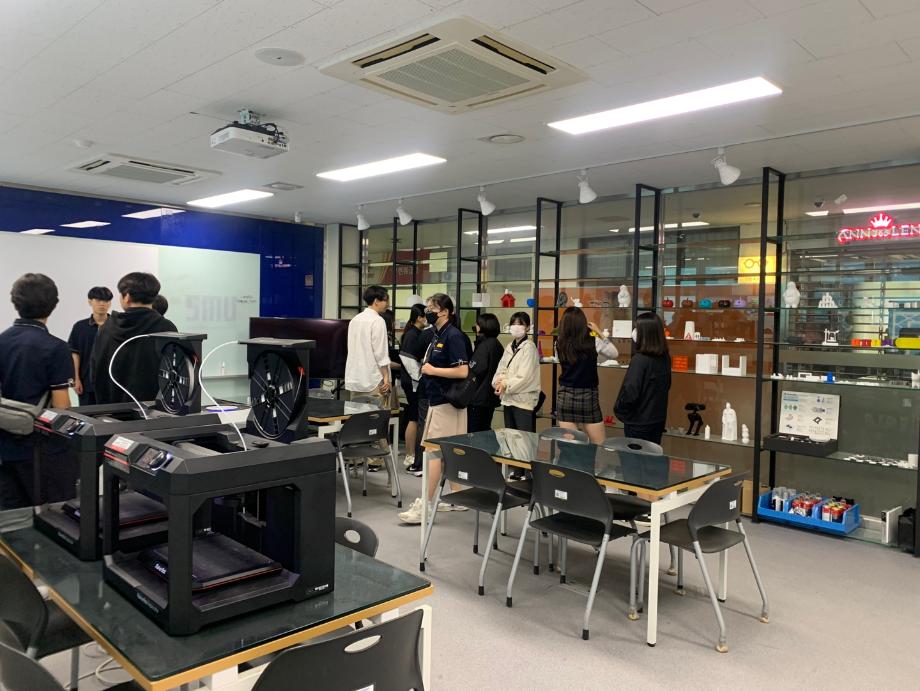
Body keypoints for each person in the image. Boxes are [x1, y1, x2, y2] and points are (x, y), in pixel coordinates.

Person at [0, 274, 74, 509]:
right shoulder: (56, 347)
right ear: (53, 305)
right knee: (52, 513)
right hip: (40, 448)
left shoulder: (2, 340)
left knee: (11, 514)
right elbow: (62, 407)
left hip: (4, 442)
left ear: (15, 301)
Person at [398, 294, 469, 524]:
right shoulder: (436, 334)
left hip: (447, 403)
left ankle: (425, 505)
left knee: (434, 453)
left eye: (432, 308)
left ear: (445, 312)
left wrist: (432, 370)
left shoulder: (453, 336)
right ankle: (457, 496)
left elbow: (463, 371)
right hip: (436, 400)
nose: (428, 311)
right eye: (427, 307)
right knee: (446, 452)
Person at [92, 272, 177, 405]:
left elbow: (96, 369)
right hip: (152, 410)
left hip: (111, 408)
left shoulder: (107, 328)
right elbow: (175, 373)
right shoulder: (166, 328)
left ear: (127, 297)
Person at [555, 306, 618, 445]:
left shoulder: (559, 343)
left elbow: (561, 360)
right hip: (588, 396)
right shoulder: (594, 340)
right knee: (599, 444)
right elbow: (614, 353)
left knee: (570, 447)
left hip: (565, 397)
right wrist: (599, 332)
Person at [614, 312, 671, 444]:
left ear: (645, 333)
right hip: (657, 419)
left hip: (638, 423)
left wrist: (621, 410)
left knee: (635, 456)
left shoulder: (639, 360)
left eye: (637, 329)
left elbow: (630, 391)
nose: (634, 332)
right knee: (653, 454)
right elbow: (667, 386)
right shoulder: (664, 358)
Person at [492, 311, 541, 432]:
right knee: (510, 437)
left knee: (523, 438)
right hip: (508, 400)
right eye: (513, 324)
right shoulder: (510, 346)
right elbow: (501, 368)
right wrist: (498, 382)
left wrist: (505, 384)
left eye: (520, 324)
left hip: (523, 402)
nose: (516, 327)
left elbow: (524, 377)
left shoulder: (529, 347)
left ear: (527, 327)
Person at [344, 285, 391, 408]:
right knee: (375, 416)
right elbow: (380, 353)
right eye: (386, 300)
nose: (388, 304)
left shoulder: (355, 319)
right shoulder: (378, 321)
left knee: (355, 415)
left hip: (355, 378)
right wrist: (386, 377)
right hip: (372, 379)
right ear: (376, 301)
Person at [67, 286, 112, 406]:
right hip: (86, 382)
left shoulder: (117, 326)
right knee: (87, 414)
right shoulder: (80, 327)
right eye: (98, 300)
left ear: (110, 303)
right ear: (90, 302)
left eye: (106, 300)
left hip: (112, 383)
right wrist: (76, 378)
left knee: (112, 414)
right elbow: (74, 354)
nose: (102, 304)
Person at [399, 304, 427, 470]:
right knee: (413, 417)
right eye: (425, 315)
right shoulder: (412, 335)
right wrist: (419, 378)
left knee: (414, 416)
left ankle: (412, 453)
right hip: (412, 381)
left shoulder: (416, 333)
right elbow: (409, 361)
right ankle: (410, 454)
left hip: (413, 380)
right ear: (419, 317)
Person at [467, 313, 503, 433]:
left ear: (483, 326)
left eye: (477, 324)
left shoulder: (485, 345)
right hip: (490, 395)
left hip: (479, 396)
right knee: (484, 428)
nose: (475, 326)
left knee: (475, 431)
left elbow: (476, 369)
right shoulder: (497, 344)